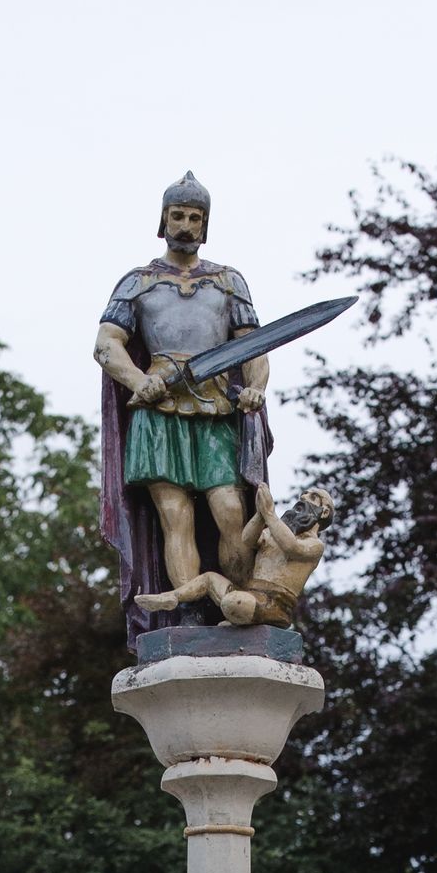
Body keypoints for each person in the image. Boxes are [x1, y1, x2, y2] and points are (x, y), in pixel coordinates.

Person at [95, 172, 272, 638]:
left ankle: (240, 603)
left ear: (206, 224)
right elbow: (107, 344)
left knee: (231, 509)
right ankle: (191, 613)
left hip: (215, 406)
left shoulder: (228, 282)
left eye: (196, 217)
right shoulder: (138, 283)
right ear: (163, 220)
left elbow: (253, 347)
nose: (187, 225)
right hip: (158, 412)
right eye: (179, 215)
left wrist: (255, 388)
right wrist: (138, 380)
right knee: (176, 516)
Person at [135, 484, 332, 630]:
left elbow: (291, 547)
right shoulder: (274, 532)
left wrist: (270, 514)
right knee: (209, 578)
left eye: (313, 497)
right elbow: (247, 540)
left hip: (273, 604)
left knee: (233, 603)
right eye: (304, 494)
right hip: (251, 594)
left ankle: (238, 619)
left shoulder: (315, 545)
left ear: (324, 512)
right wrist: (260, 514)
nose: (304, 498)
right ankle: (171, 597)